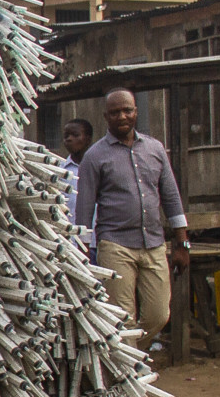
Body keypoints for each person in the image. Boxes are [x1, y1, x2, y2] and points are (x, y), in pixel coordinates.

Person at [74, 89, 189, 350]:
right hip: (115, 245)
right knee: (123, 319)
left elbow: (171, 197)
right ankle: (130, 379)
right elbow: (84, 210)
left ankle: (131, 356)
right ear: (106, 116)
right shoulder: (94, 156)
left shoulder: (154, 149)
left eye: (128, 110)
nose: (122, 116)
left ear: (136, 112)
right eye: (115, 112)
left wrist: (182, 243)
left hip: (154, 244)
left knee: (159, 315)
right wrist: (82, 253)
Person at [61, 118, 95, 246]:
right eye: (66, 136)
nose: (69, 139)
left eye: (75, 135)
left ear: (88, 139)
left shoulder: (98, 168)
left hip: (98, 242)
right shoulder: (60, 171)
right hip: (71, 243)